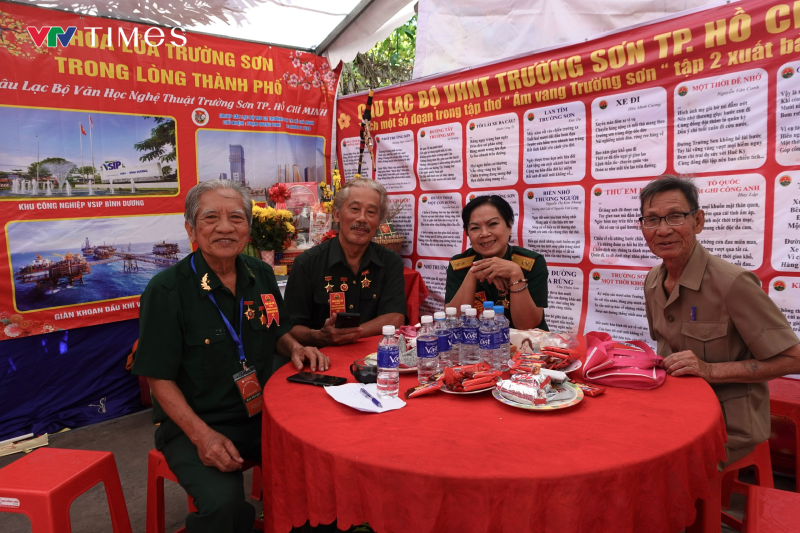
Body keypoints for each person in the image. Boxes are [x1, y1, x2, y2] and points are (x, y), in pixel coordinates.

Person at [133, 180, 329, 533]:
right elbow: (158, 377)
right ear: (191, 228)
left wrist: (295, 347)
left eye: (236, 218)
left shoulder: (260, 274)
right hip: (194, 423)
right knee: (223, 507)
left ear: (248, 229)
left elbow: (275, 331)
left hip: (262, 414)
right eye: (211, 217)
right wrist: (202, 436)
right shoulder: (166, 291)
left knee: (319, 469)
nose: (225, 227)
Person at [639, 175, 800, 466]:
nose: (662, 230)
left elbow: (794, 359)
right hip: (672, 411)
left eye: (675, 216)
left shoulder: (732, 283)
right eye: (652, 220)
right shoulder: (652, 281)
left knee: (661, 470)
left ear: (697, 221)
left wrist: (710, 370)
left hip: (728, 426)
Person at [286, 178, 406, 347]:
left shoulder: (390, 261)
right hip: (323, 356)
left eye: (371, 212)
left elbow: (395, 317)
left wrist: (350, 333)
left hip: (374, 356)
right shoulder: (307, 263)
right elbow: (291, 326)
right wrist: (319, 336)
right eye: (355, 209)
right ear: (337, 214)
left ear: (379, 221)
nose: (362, 218)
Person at [445, 195, 548, 330]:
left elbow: (527, 326)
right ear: (468, 234)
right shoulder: (458, 265)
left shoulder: (532, 263)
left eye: (493, 224)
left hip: (523, 342)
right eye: (475, 228)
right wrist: (473, 273)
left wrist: (516, 274)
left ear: (509, 226)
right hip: (474, 341)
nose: (484, 233)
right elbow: (453, 322)